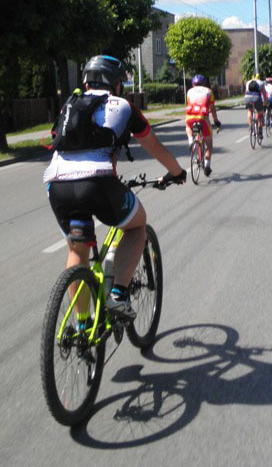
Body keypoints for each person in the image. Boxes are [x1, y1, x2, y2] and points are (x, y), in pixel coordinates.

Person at [44, 55, 186, 319]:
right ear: (115, 84)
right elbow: (155, 147)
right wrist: (176, 172)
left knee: (78, 250)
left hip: (56, 184)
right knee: (136, 225)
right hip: (96, 183)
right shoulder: (123, 106)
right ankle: (118, 295)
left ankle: (82, 326)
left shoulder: (70, 105)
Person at [185, 74, 221, 176]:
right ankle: (207, 165)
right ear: (203, 83)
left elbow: (189, 104)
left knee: (188, 126)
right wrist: (216, 121)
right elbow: (212, 108)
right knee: (209, 144)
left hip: (190, 117)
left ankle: (191, 140)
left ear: (193, 84)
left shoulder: (189, 91)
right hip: (203, 118)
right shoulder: (208, 91)